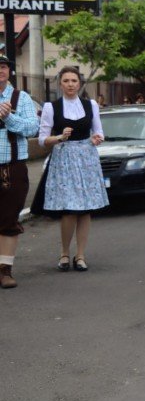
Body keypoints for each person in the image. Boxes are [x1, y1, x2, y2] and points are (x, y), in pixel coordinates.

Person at [33, 66, 108, 272]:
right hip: (64, 158)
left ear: (80, 83)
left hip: (86, 158)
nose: (70, 84)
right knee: (69, 210)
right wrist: (59, 137)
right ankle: (65, 253)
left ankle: (81, 255)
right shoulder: (51, 107)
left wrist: (97, 139)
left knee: (85, 210)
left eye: (74, 81)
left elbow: (99, 132)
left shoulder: (90, 104)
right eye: (66, 81)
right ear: (60, 83)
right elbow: (42, 140)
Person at [0, 54, 39, 289]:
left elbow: (32, 128)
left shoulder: (21, 97)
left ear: (9, 71)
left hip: (12, 167)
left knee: (8, 219)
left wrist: (8, 117)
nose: (1, 70)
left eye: (3, 67)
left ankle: (5, 270)